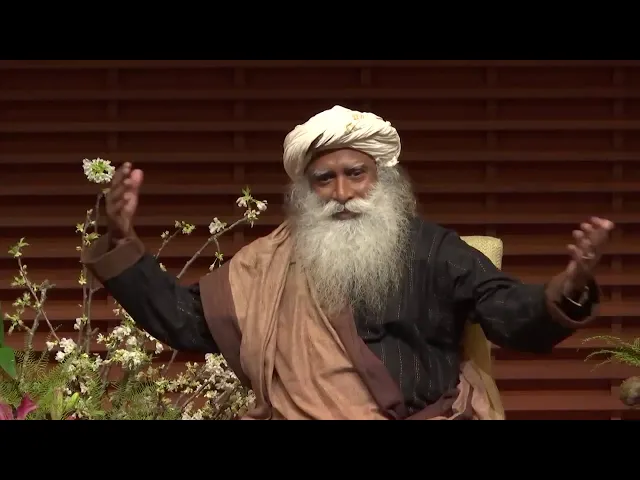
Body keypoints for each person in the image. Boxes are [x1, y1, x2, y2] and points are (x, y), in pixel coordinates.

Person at [82, 105, 614, 420]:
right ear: (306, 190)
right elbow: (186, 321)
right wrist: (123, 241)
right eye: (325, 178)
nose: (341, 192)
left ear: (380, 178)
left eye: (355, 174)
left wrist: (567, 287)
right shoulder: (267, 265)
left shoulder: (432, 249)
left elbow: (505, 309)